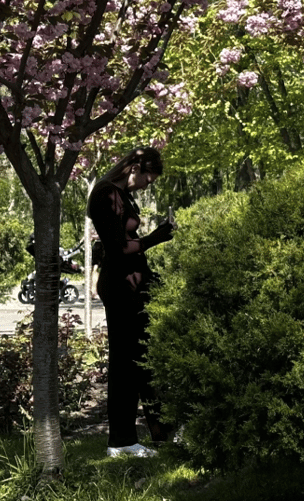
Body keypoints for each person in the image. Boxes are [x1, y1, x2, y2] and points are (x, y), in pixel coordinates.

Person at [88, 146, 175, 458]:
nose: (147, 185)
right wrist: (156, 238)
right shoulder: (105, 194)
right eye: (148, 179)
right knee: (125, 363)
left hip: (135, 284)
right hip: (120, 286)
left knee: (145, 361)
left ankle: (164, 433)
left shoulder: (122, 195)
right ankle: (121, 441)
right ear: (135, 167)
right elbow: (117, 247)